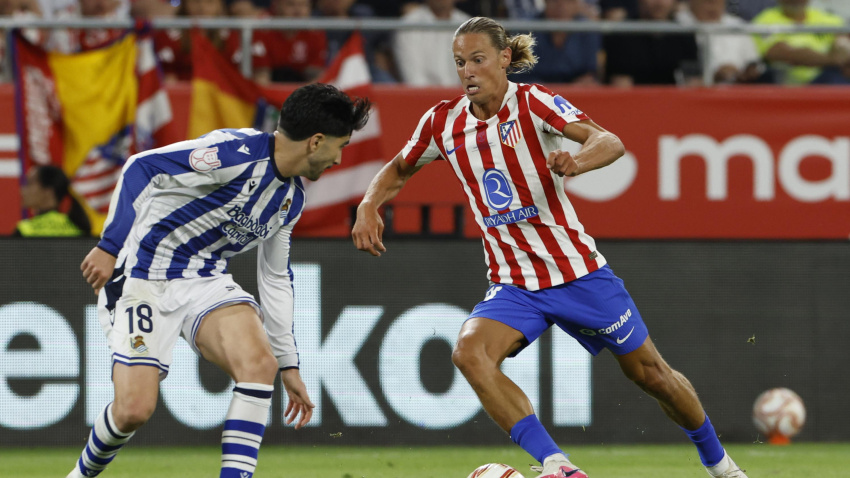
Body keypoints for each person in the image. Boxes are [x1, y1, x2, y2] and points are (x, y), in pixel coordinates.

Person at [352, 16, 748, 478]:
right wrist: (368, 204)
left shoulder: (534, 103)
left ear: (504, 59)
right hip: (514, 282)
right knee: (468, 354)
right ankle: (558, 466)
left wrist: (575, 161)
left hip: (577, 272)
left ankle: (721, 465)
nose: (467, 71)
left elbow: (610, 141)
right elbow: (399, 169)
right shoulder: (443, 122)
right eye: (460, 62)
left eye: (478, 60)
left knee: (651, 375)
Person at [69, 83, 371, 478]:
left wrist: (288, 364)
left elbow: (275, 278)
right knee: (133, 411)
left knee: (259, 364)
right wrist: (110, 245)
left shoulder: (290, 200)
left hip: (203, 278)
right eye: (341, 146)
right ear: (316, 141)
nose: (338, 158)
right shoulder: (235, 153)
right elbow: (142, 167)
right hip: (141, 275)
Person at [751, 0, 850, 85]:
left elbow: (843, 42)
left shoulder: (827, 18)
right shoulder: (765, 20)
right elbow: (781, 53)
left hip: (831, 78)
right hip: (789, 85)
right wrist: (832, 59)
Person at [603, 0, 700, 86]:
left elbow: (693, 83)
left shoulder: (685, 36)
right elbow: (621, 88)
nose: (659, 2)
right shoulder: (621, 35)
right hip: (635, 103)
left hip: (675, 103)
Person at [510, 0, 602, 85]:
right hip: (534, 94)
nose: (561, 7)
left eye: (568, 2)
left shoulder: (588, 30)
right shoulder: (526, 31)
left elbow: (590, 74)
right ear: (545, 3)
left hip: (576, 94)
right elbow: (518, 75)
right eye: (555, 1)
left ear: (577, 5)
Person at [676, 0, 762, 84]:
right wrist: (713, 77)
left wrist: (742, 75)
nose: (713, 4)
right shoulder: (677, 26)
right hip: (695, 94)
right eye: (707, 1)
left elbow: (755, 65)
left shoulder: (737, 26)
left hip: (739, 92)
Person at [394, 0, 470, 86]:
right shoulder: (408, 24)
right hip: (423, 96)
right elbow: (414, 79)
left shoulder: (468, 26)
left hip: (462, 96)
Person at [15, 164, 91, 237]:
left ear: (48, 191)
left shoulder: (25, 231)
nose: (22, 191)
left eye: (29, 184)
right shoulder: (77, 230)